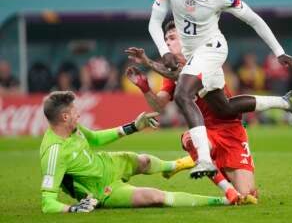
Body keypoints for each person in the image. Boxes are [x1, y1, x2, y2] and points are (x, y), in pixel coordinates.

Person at [148, 0, 292, 178]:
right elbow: (154, 21)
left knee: (182, 94)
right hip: (192, 56)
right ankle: (286, 102)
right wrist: (163, 51)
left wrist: (279, 52)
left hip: (213, 49)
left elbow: (254, 19)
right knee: (224, 108)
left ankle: (205, 160)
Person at [125, 20, 292, 203]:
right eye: (165, 39)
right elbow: (159, 106)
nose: (167, 43)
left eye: (172, 38)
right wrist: (145, 88)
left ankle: (188, 163)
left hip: (231, 129)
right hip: (204, 131)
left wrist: (148, 62)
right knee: (190, 139)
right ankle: (227, 191)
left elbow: (182, 75)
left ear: (185, 38)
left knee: (249, 195)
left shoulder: (204, 56)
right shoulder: (169, 73)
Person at [40, 91, 237, 214]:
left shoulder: (73, 128)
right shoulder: (54, 152)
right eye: (75, 112)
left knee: (143, 161)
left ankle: (172, 166)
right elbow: (48, 203)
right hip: (103, 191)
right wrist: (73, 209)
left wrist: (134, 126)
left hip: (106, 163)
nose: (79, 114)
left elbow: (95, 139)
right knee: (155, 197)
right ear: (65, 117)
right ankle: (223, 200)